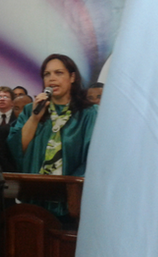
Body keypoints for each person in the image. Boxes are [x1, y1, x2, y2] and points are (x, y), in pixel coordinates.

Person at [7, 54, 98, 216]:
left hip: (71, 200)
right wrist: (35, 118)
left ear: (72, 77)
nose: (52, 79)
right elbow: (17, 149)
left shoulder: (88, 113)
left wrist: (67, 189)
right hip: (35, 197)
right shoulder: (30, 110)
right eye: (47, 74)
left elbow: (94, 156)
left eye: (59, 73)